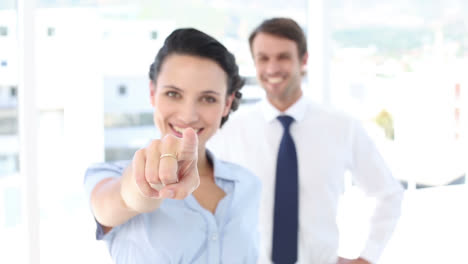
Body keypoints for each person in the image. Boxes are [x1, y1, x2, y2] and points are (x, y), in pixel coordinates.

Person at [208, 17, 404, 264]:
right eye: (263, 58)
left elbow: (388, 194)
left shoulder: (341, 127)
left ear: (304, 60)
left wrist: (367, 256)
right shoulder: (230, 132)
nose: (272, 69)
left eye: (283, 57)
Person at [84, 28, 261, 264]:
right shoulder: (107, 176)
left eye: (208, 98)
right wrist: (148, 183)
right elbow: (123, 199)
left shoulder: (248, 185)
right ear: (152, 93)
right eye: (173, 94)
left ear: (227, 104)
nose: (188, 116)